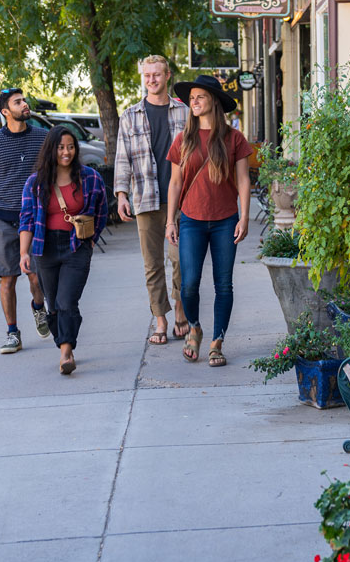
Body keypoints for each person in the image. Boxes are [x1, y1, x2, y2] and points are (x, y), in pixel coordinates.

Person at [165, 75, 253, 367]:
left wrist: (245, 217)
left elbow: (243, 180)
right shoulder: (184, 139)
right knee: (188, 284)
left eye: (200, 97)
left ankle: (217, 342)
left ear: (213, 101)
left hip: (226, 220)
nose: (194, 102)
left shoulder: (233, 138)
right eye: (191, 98)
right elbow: (175, 183)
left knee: (223, 285)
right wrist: (170, 221)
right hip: (191, 219)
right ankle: (195, 326)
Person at [17, 127, 109, 375]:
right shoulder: (35, 183)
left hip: (76, 246)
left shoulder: (89, 177)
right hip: (44, 248)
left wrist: (92, 239)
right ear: (51, 149)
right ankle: (65, 340)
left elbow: (101, 209)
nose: (66, 152)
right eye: (60, 147)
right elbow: (26, 220)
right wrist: (24, 253)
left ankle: (66, 351)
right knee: (54, 304)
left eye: (70, 147)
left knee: (67, 300)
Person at [114, 55, 190, 346]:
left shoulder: (184, 113)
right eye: (147, 76)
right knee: (152, 265)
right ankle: (160, 319)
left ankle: (180, 309)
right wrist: (121, 195)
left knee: (181, 261)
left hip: (180, 202)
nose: (151, 80)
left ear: (167, 76)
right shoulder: (130, 115)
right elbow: (123, 158)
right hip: (145, 199)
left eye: (157, 75)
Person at [0, 88, 49, 354]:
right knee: (7, 280)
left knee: (36, 277)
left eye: (24, 100)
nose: (25, 104)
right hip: (4, 220)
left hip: (36, 219)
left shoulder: (43, 138)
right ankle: (13, 333)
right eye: (18, 102)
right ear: (5, 111)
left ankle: (39, 309)